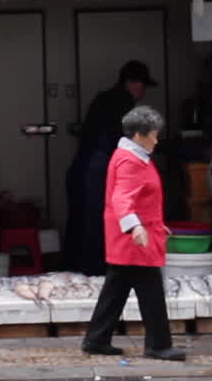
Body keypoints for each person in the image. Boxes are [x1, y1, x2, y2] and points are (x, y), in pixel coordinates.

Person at [82, 105, 185, 362]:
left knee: (115, 290)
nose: (156, 139)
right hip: (136, 239)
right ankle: (158, 345)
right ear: (139, 134)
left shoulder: (127, 156)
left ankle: (96, 339)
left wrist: (154, 224)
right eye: (153, 134)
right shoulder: (131, 161)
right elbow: (122, 198)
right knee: (151, 293)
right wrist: (136, 227)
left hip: (131, 236)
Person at [66, 60, 158, 275]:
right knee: (97, 222)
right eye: (142, 86)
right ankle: (94, 272)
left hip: (84, 167)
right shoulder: (122, 103)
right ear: (133, 83)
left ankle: (78, 269)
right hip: (96, 170)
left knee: (83, 222)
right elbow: (124, 141)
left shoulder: (106, 99)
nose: (143, 92)